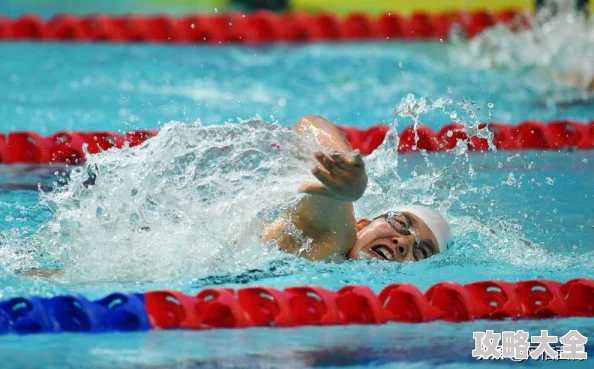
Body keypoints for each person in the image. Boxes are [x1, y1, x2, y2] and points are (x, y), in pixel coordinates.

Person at [263, 115, 452, 262]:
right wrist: (342, 168)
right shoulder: (338, 240)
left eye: (422, 252)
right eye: (400, 224)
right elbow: (309, 124)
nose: (403, 242)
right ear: (360, 225)